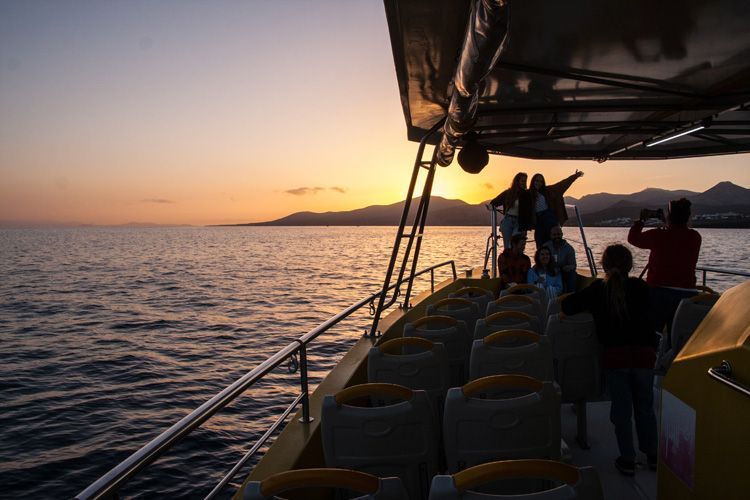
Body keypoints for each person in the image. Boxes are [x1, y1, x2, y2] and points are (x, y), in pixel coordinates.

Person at [561, 244, 658, 476]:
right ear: (630, 265)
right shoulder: (641, 287)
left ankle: (627, 460)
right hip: (645, 356)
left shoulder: (598, 290)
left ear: (604, 265)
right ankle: (652, 456)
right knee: (645, 407)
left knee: (622, 411)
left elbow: (568, 305)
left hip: (617, 358)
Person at [627, 198, 701, 337]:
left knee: (652, 334)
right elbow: (677, 237)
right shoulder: (695, 237)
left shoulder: (658, 235)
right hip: (687, 295)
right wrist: (667, 223)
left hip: (659, 293)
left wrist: (642, 220)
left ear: (669, 216)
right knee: (679, 337)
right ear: (688, 216)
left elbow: (633, 238)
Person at [528, 170, 584, 249]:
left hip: (548, 217)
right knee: (539, 240)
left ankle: (555, 258)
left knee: (552, 240)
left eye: (541, 181)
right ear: (533, 181)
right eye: (536, 181)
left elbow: (562, 185)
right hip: (538, 220)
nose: (539, 183)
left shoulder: (548, 191)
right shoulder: (528, 194)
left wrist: (575, 176)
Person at [490, 172, 531, 249]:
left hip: (519, 223)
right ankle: (507, 260)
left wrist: (526, 227)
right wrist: (490, 207)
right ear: (517, 181)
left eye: (525, 181)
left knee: (516, 244)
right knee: (508, 246)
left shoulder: (527, 194)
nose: (524, 183)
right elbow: (494, 202)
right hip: (508, 221)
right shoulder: (508, 193)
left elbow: (528, 212)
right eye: (522, 181)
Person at [543, 225, 577, 292]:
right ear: (550, 236)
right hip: (548, 271)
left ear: (562, 234)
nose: (556, 237)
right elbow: (540, 261)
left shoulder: (569, 249)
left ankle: (571, 295)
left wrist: (568, 267)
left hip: (563, 272)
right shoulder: (546, 246)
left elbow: (573, 265)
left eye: (558, 234)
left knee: (572, 274)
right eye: (554, 235)